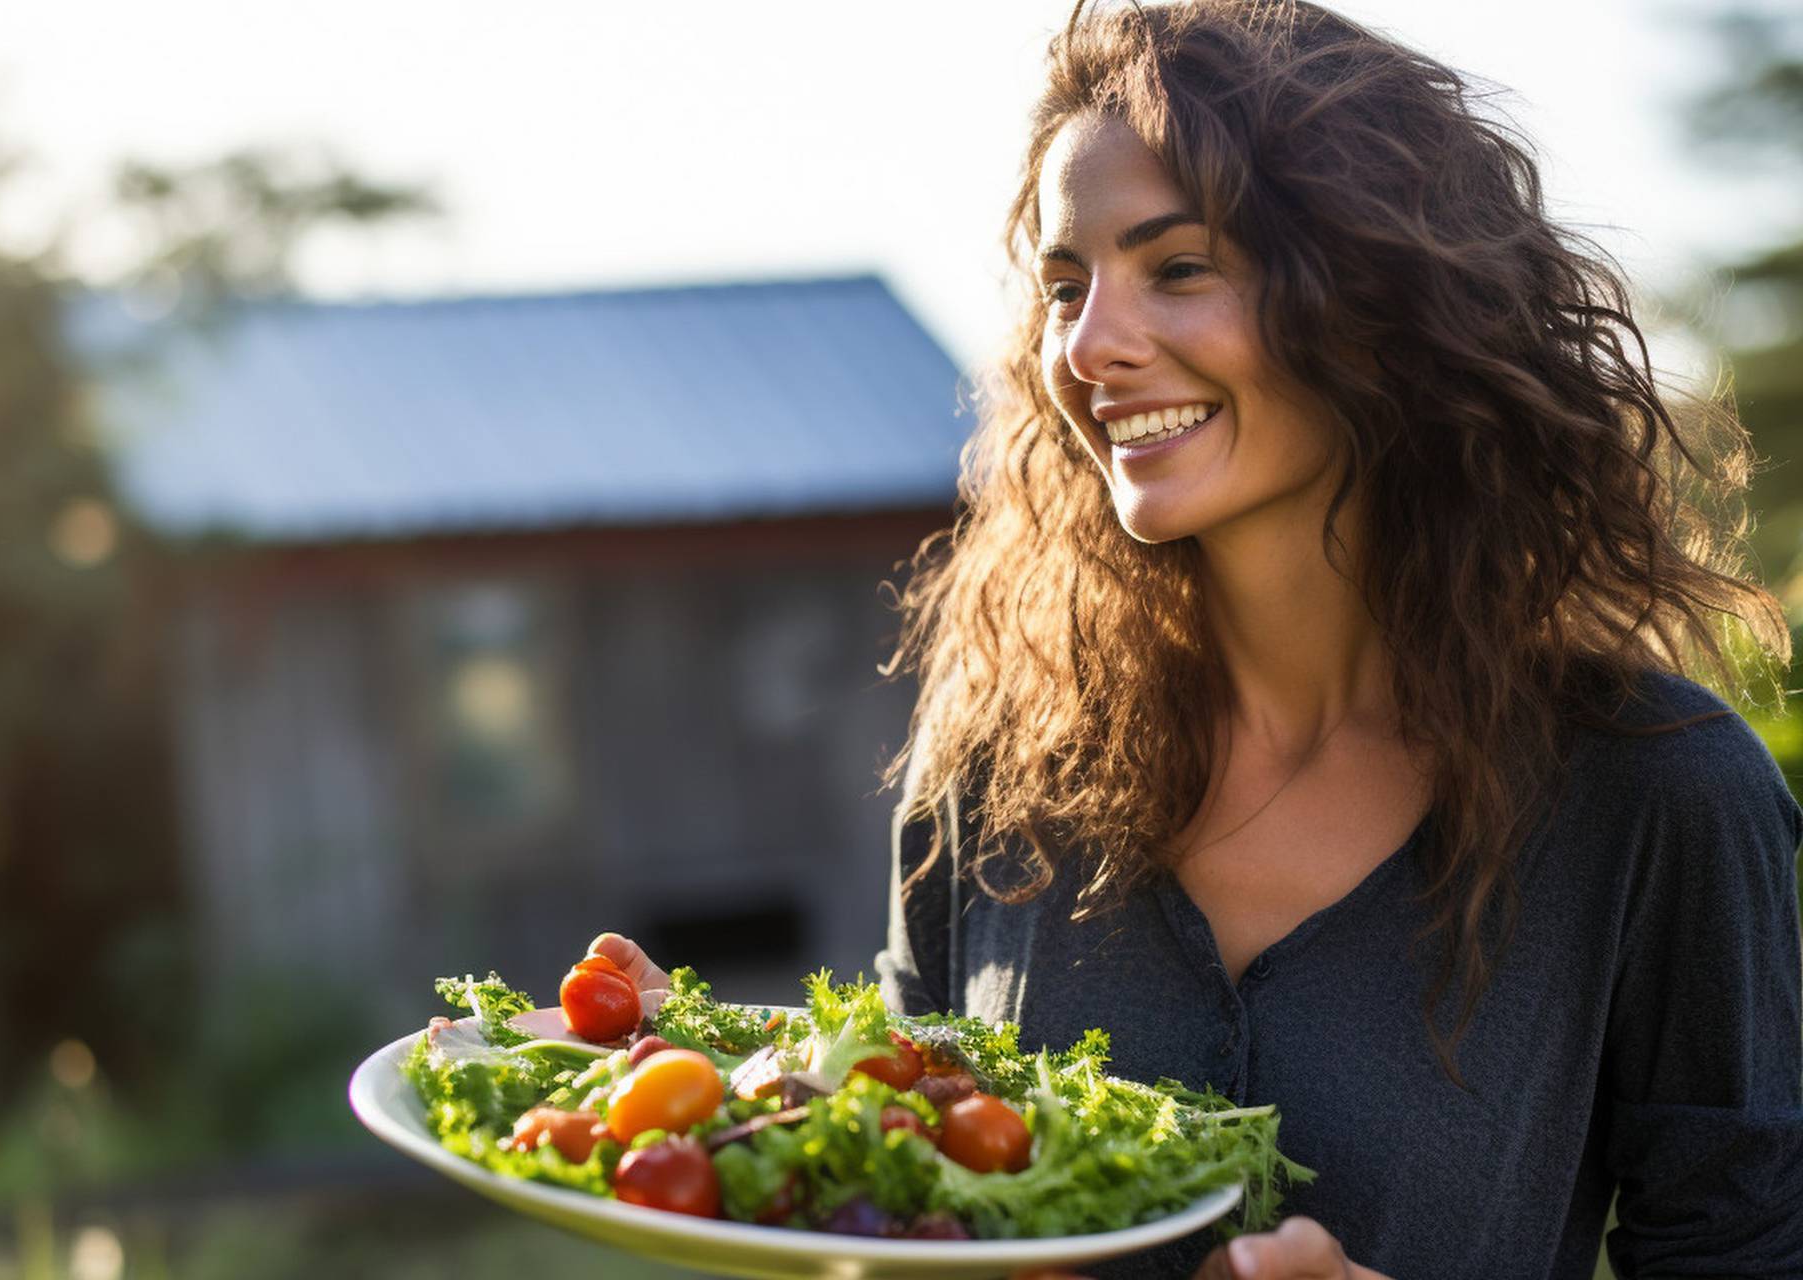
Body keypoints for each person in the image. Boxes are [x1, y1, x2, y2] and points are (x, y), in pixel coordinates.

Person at [613, 2, 1803, 1276]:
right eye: (1068, 285)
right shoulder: (995, 765)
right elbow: (895, 1202)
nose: (1090, 344)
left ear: (1381, 302)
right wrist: (708, 1073)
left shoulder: (1656, 789)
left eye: (1177, 267)